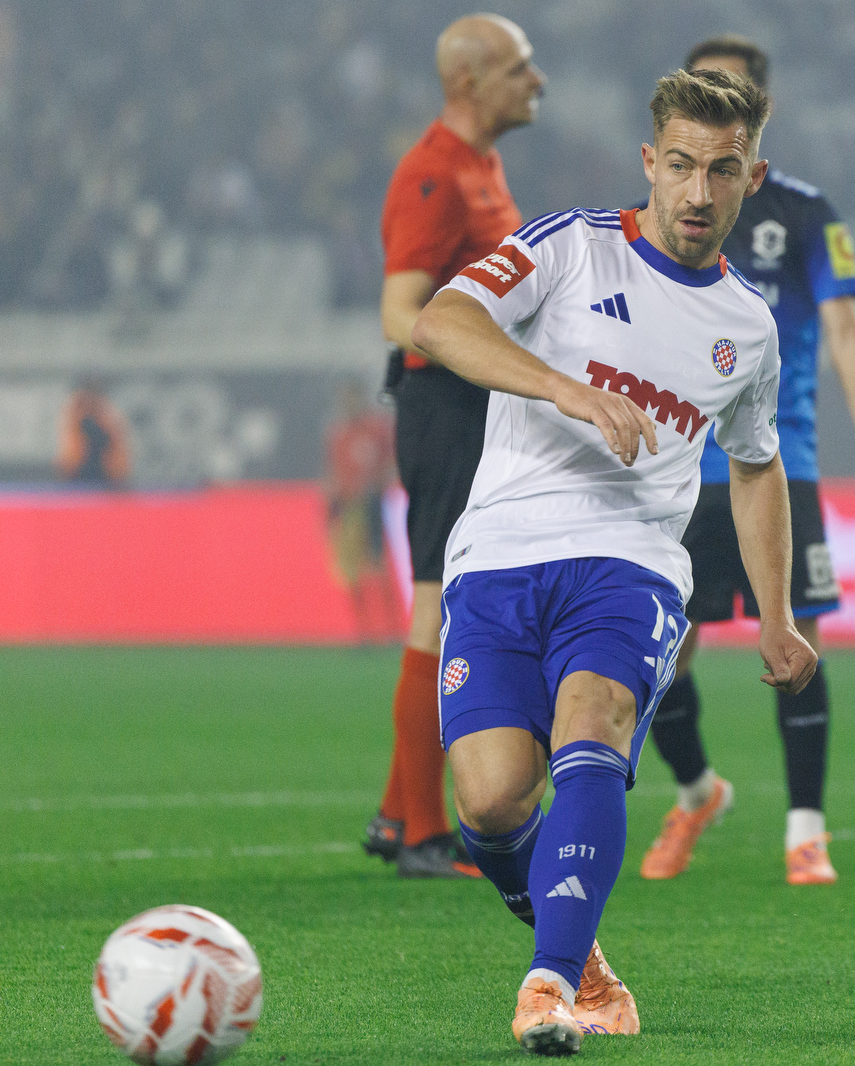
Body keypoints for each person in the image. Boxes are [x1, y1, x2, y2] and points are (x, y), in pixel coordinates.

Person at [413, 68, 816, 1053]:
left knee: (593, 724)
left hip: (629, 564)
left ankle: (545, 984)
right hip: (499, 554)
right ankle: (584, 964)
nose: (696, 192)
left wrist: (775, 612)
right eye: (679, 164)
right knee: (491, 800)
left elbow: (756, 467)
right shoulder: (570, 246)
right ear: (650, 161)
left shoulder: (747, 328)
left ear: (748, 177)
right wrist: (563, 388)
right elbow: (441, 321)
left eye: (721, 171)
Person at [637, 36, 855, 885]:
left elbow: (847, 331)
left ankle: (805, 829)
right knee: (663, 657)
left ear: (760, 115)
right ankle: (697, 790)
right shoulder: (657, 213)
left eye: (733, 94)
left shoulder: (804, 212)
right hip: (677, 470)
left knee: (796, 644)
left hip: (782, 465)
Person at [363, 13, 546, 878]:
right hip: (445, 406)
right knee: (438, 601)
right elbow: (402, 310)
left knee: (453, 596)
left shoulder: (481, 165)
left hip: (476, 404)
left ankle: (401, 809)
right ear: (471, 82)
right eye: (520, 68)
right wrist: (476, 354)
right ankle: (427, 833)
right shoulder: (434, 173)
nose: (536, 82)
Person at [324, 379, 403, 642]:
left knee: (378, 566)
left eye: (353, 398)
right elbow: (333, 472)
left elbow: (391, 462)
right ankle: (363, 629)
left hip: (371, 502)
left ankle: (392, 628)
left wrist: (379, 487)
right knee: (351, 570)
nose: (349, 405)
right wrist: (331, 506)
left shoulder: (374, 429)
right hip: (348, 506)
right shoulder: (339, 433)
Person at [57, 377, 132, 485]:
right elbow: (69, 457)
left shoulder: (108, 415)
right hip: (78, 477)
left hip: (107, 478)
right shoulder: (75, 413)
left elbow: (119, 457)